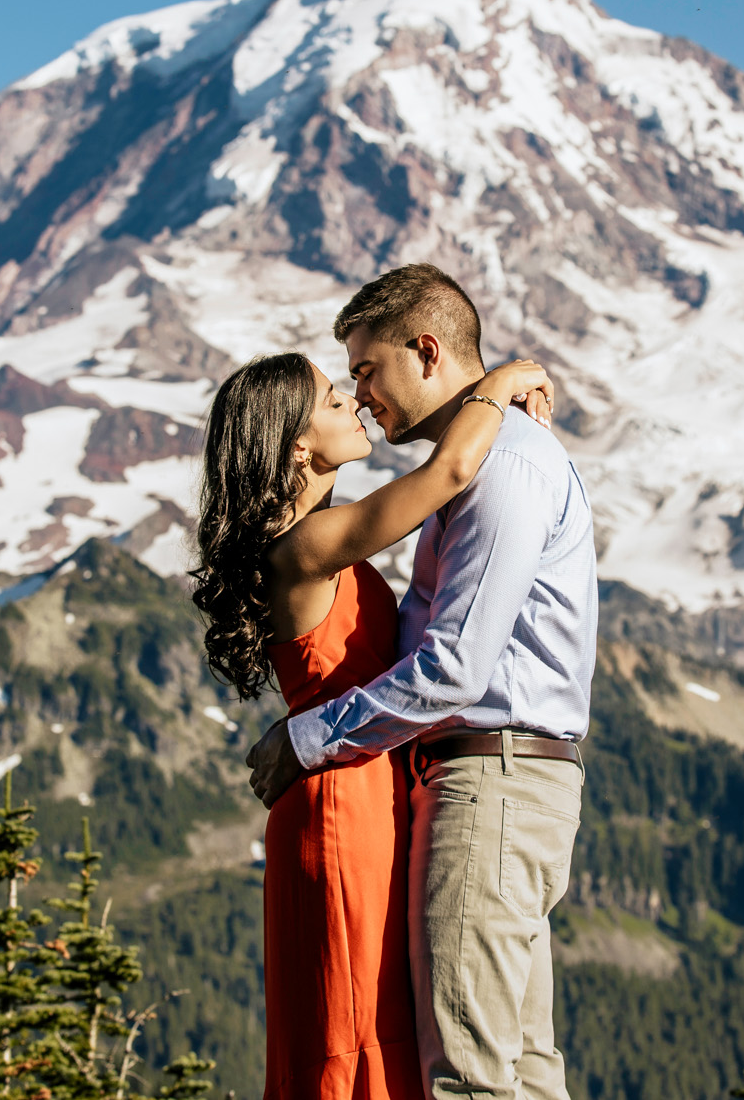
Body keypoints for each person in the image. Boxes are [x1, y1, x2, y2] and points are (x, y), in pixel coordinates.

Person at [245, 264, 599, 1100]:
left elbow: (454, 667)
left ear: (427, 350)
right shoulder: (462, 466)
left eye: (365, 371)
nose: (361, 396)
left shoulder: (498, 466)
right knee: (516, 1068)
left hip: (488, 784)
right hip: (477, 784)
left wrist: (303, 738)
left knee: (473, 1078)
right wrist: (500, 382)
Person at [191, 340, 555, 1100]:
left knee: (374, 1019)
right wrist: (499, 383)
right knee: (353, 1027)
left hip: (361, 791)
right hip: (339, 806)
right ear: (298, 448)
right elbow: (448, 473)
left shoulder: (315, 543)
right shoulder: (307, 547)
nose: (352, 402)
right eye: (332, 400)